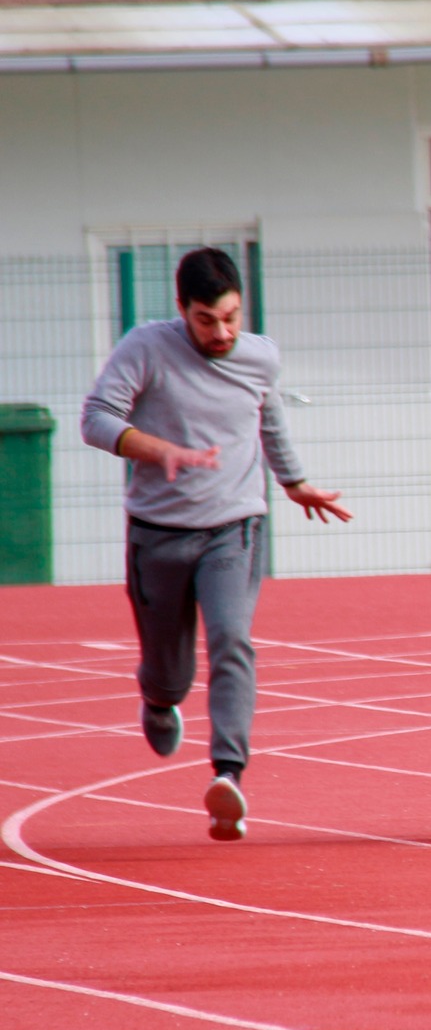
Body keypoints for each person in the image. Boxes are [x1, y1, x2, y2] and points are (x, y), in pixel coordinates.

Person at [81, 247, 352, 841]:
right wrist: (161, 451)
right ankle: (158, 699)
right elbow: (96, 417)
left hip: (234, 526)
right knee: (168, 670)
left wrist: (295, 482)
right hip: (157, 533)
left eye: (231, 316)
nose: (222, 331)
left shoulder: (260, 357)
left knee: (232, 639)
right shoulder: (145, 348)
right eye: (207, 320)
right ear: (182, 310)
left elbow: (269, 418)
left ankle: (228, 773)